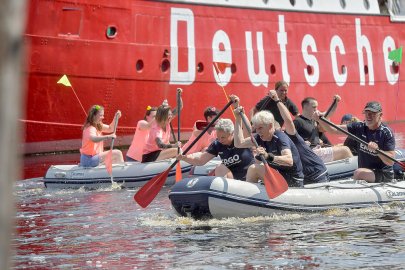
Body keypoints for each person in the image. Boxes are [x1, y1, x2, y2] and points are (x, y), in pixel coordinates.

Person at [315, 101, 396, 183]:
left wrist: (377, 151)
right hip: (365, 171)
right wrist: (320, 120)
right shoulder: (359, 127)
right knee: (359, 172)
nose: (369, 116)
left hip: (383, 174)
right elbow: (333, 129)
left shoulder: (386, 133)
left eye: (373, 113)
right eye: (367, 113)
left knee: (358, 173)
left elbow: (390, 161)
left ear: (380, 115)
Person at [234, 96, 304, 187]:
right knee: (255, 166)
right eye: (256, 128)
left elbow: (289, 160)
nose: (258, 131)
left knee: (254, 168)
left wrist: (268, 156)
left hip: (293, 180)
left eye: (260, 128)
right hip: (279, 175)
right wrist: (238, 118)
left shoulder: (280, 137)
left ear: (270, 126)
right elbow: (238, 143)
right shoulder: (260, 137)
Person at [267, 90, 329, 184]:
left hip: (317, 173)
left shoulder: (290, 136)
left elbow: (288, 120)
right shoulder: (267, 142)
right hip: (305, 178)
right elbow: (241, 143)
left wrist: (277, 100)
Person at [177, 118, 255, 181]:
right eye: (218, 137)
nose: (220, 140)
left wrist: (240, 112)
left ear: (232, 133)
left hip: (250, 179)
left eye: (223, 137)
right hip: (233, 181)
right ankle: (224, 195)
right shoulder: (217, 144)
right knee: (220, 167)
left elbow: (248, 130)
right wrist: (184, 157)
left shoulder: (240, 139)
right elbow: (201, 160)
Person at [293, 96, 352, 163]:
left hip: (317, 151)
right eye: (314, 107)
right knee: (345, 151)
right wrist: (302, 143)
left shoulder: (314, 120)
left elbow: (328, 114)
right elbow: (288, 138)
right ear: (305, 107)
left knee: (344, 148)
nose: (316, 109)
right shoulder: (297, 122)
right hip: (310, 154)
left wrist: (335, 102)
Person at [142, 91, 183, 162]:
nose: (171, 116)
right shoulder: (156, 129)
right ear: (163, 117)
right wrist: (174, 145)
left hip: (160, 152)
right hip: (150, 156)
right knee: (178, 150)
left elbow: (179, 107)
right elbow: (160, 145)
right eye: (169, 115)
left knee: (178, 150)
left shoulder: (166, 120)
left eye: (171, 114)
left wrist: (178, 95)